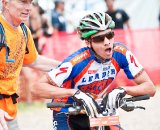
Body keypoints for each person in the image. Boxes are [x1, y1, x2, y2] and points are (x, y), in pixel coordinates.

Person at [32, 12, 155, 130]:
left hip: (99, 108)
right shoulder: (75, 62)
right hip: (68, 112)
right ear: (88, 42)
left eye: (110, 35)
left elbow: (150, 88)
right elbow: (36, 88)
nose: (107, 42)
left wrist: (123, 90)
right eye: (99, 38)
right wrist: (74, 93)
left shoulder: (121, 53)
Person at [0, 0, 60, 130]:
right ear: (5, 3)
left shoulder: (24, 31)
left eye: (30, 3)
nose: (28, 8)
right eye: (22, 2)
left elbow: (34, 60)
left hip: (9, 109)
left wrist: (70, 66)